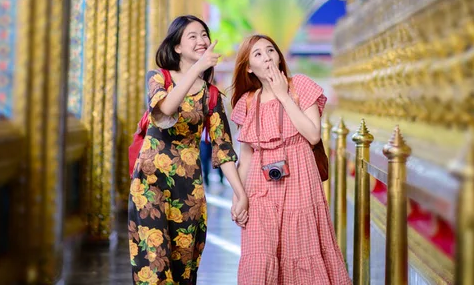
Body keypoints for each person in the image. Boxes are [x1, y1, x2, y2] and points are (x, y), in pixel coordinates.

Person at [128, 15, 248, 285]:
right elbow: (164, 111)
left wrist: (240, 195)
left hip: (189, 189)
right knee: (153, 265)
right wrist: (198, 69)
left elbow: (224, 149)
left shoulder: (211, 95)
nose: (201, 40)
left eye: (204, 35)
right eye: (192, 36)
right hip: (150, 183)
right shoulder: (158, 78)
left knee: (184, 268)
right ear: (177, 47)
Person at [229, 34, 350, 285]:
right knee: (258, 257)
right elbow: (247, 157)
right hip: (259, 189)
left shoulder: (301, 86)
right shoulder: (247, 102)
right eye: (258, 53)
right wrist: (239, 197)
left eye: (271, 50)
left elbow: (313, 135)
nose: (268, 57)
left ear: (279, 57)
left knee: (299, 253)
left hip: (300, 180)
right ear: (249, 67)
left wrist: (283, 95)